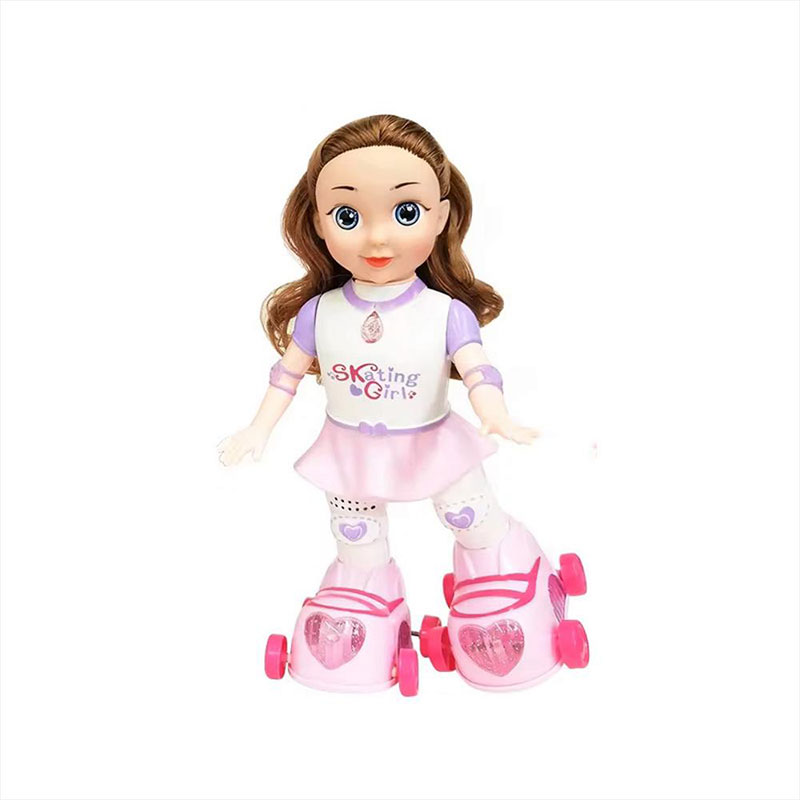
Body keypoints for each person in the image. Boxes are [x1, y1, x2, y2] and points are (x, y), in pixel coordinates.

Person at [218, 114, 588, 693]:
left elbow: (476, 367)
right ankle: (367, 592)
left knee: (470, 517)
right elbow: (285, 376)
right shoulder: (319, 313)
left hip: (433, 442)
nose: (377, 238)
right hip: (349, 449)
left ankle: (502, 570)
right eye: (348, 216)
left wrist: (493, 412)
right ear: (318, 222)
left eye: (406, 212)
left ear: (440, 216)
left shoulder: (444, 312)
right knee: (355, 535)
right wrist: (256, 429)